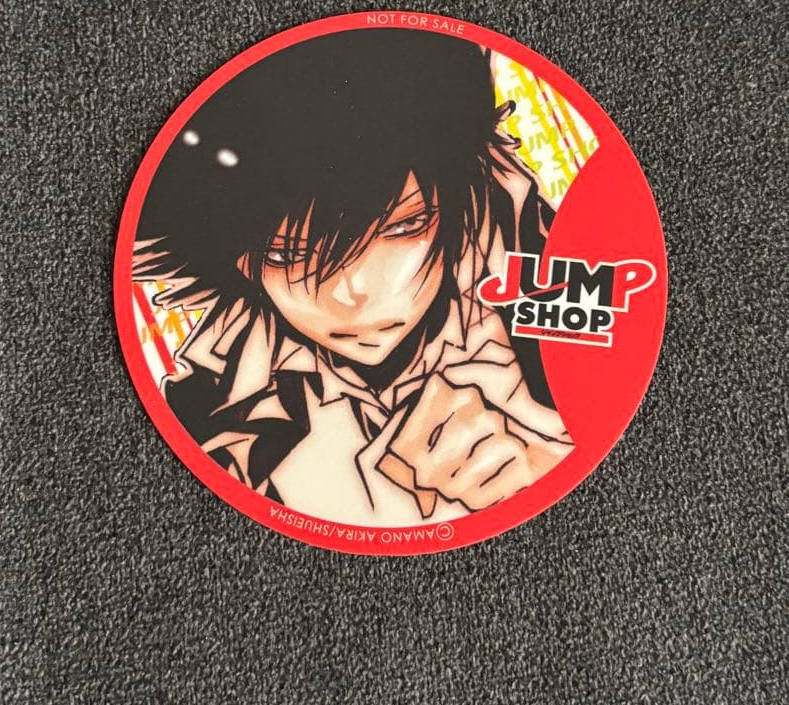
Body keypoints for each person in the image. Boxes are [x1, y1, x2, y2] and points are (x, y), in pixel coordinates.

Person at [134, 28, 572, 526]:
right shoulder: (210, 417)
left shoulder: (551, 297)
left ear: (458, 203)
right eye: (285, 255)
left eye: (405, 227)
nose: (352, 294)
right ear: (239, 262)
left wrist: (546, 469)